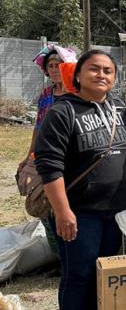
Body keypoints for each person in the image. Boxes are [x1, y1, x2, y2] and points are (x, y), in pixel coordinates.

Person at [34, 49, 126, 310]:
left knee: (103, 275)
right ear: (78, 75)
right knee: (78, 275)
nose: (101, 75)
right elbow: (48, 164)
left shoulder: (120, 108)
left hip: (115, 212)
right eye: (94, 69)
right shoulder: (63, 112)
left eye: (108, 70)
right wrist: (63, 212)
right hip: (80, 211)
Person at [20, 45, 73, 253]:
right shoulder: (45, 94)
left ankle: (68, 253)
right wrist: (28, 156)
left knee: (65, 204)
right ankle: (57, 253)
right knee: (44, 204)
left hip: (70, 157)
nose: (53, 69)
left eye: (58, 65)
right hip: (46, 155)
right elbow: (39, 127)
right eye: (50, 66)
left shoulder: (76, 93)